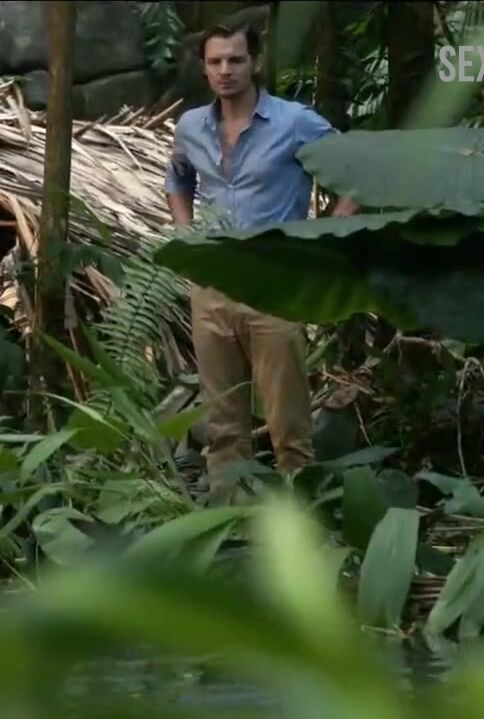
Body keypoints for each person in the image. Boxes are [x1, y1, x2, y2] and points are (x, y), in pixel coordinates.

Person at [165, 21, 358, 505]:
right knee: (223, 423)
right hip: (212, 282)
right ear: (204, 68)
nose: (225, 70)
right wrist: (185, 232)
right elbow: (178, 178)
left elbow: (354, 170)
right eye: (215, 62)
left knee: (287, 422)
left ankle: (302, 518)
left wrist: (326, 234)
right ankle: (230, 520)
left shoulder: (295, 122)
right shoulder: (191, 126)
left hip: (275, 284)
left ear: (255, 63)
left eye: (235, 60)